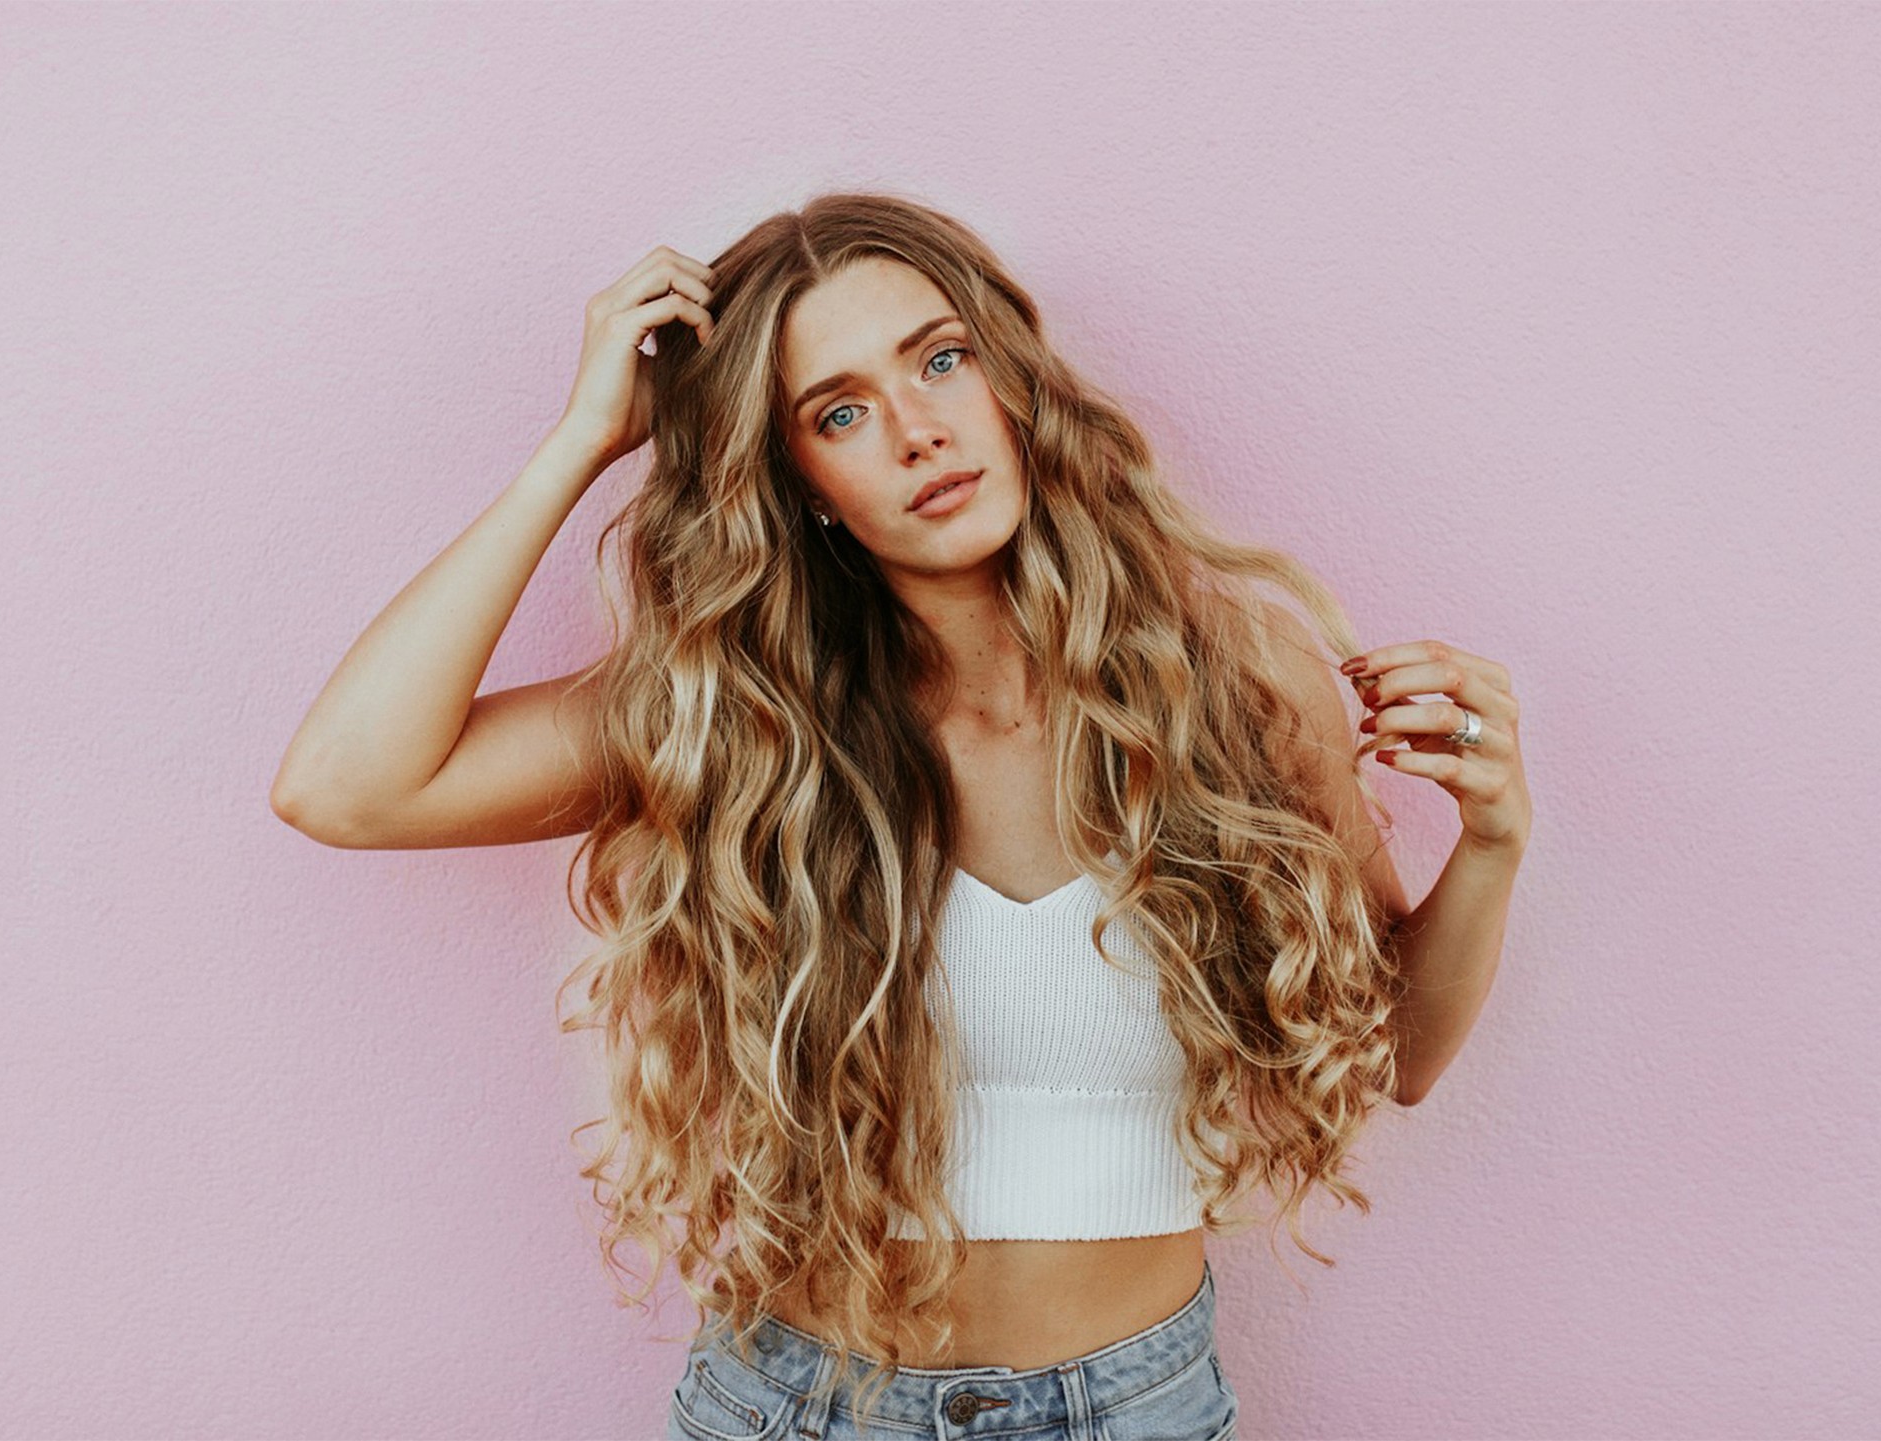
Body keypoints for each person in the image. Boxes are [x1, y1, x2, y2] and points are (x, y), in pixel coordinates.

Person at [271, 191, 1532, 1441]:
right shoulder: (741, 720)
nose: (920, 431)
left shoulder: (1236, 683)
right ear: (801, 481)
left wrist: (1490, 843)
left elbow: (1398, 1057)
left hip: (1135, 1409)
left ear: (1013, 379)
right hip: (804, 1407)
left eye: (941, 359)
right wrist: (586, 439)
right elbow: (348, 785)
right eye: (841, 412)